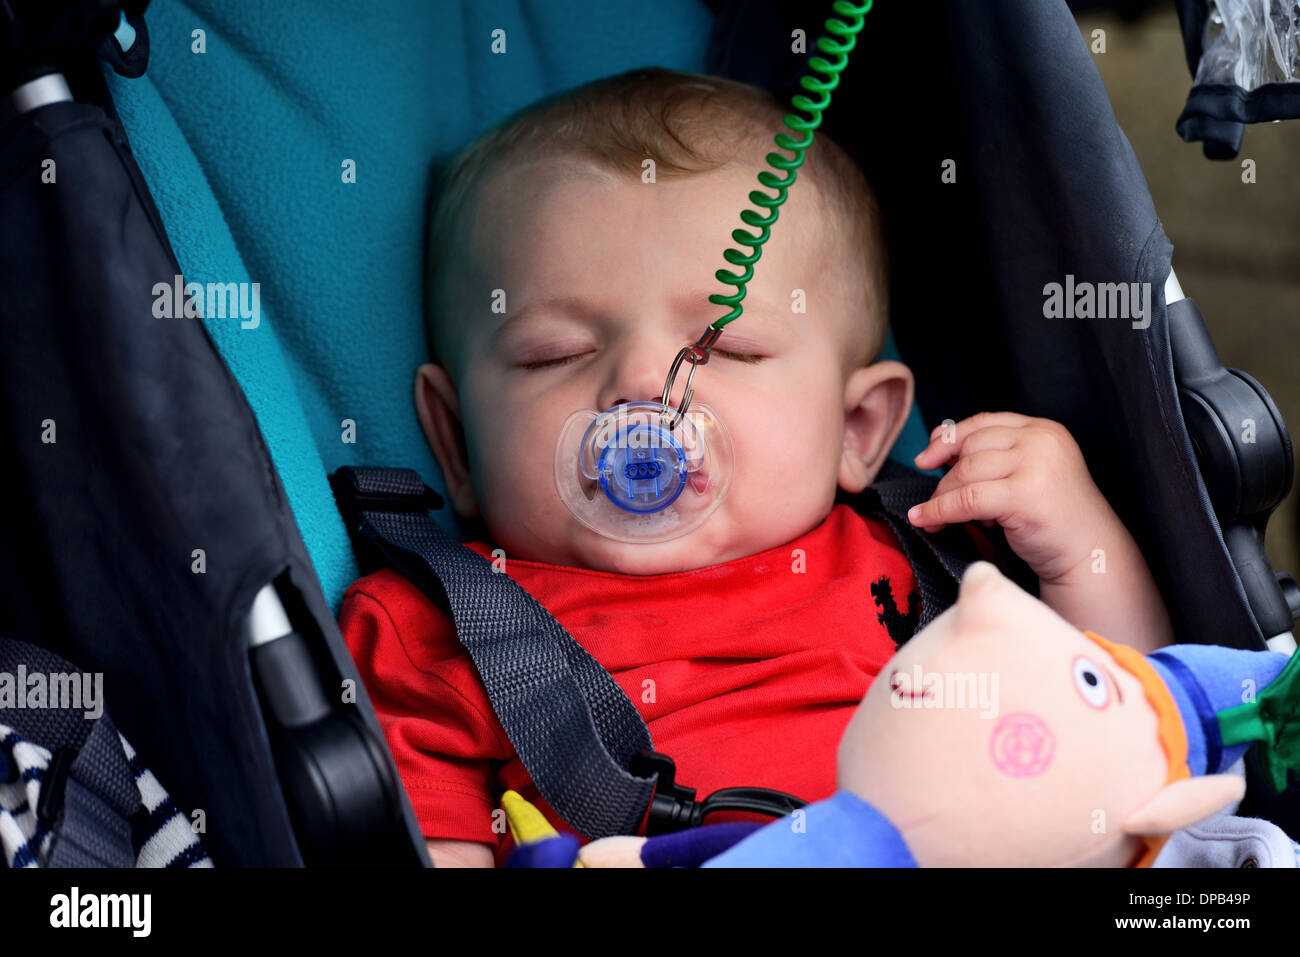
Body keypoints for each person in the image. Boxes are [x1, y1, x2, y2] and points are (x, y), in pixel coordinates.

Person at [340, 67, 1174, 867]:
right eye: (556, 354)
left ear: (856, 426)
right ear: (454, 441)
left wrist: (1076, 537)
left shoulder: (932, 560)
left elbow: (1133, 723)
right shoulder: (436, 635)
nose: (642, 385)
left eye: (727, 347)